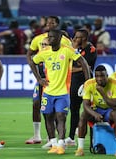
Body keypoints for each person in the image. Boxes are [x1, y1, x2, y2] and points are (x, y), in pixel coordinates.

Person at [29, 29, 90, 154]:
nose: (49, 39)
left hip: (63, 92)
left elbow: (83, 63)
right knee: (48, 117)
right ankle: (53, 143)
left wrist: (88, 82)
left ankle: (61, 143)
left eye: (52, 37)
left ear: (59, 38)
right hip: (48, 91)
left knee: (61, 117)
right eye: (49, 36)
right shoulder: (44, 52)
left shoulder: (67, 50)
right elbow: (32, 61)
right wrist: (39, 79)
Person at [25, 16, 72, 148]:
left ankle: (58, 139)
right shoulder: (38, 39)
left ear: (57, 24)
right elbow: (29, 54)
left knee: (58, 112)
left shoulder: (65, 41)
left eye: (53, 22)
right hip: (42, 77)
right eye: (48, 22)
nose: (49, 24)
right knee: (36, 104)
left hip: (58, 78)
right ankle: (37, 135)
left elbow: (71, 57)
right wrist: (37, 75)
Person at [75, 65, 116, 156]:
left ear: (107, 75)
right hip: (97, 109)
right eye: (97, 76)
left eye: (102, 76)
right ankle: (80, 149)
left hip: (110, 110)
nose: (99, 79)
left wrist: (102, 92)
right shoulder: (89, 84)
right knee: (83, 115)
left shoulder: (115, 84)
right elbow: (85, 105)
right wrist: (94, 114)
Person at [65, 29, 97, 146]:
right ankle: (71, 137)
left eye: (77, 37)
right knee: (74, 110)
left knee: (89, 111)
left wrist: (77, 68)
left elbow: (87, 67)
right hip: (74, 83)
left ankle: (94, 139)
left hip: (86, 83)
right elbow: (72, 65)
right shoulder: (73, 49)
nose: (74, 39)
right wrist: (79, 67)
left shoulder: (91, 49)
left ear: (84, 38)